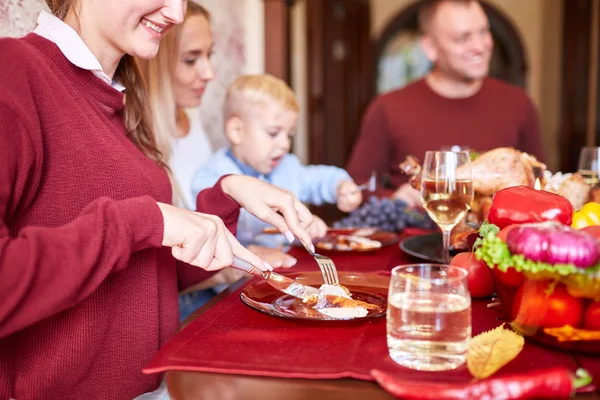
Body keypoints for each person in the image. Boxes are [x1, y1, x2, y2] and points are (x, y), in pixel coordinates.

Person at [0, 1, 315, 398]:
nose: (177, 14)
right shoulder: (12, 71)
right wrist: (142, 221)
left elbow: (147, 281)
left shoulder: (117, 97)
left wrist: (227, 195)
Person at [137, 5, 297, 322]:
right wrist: (227, 268)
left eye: (209, 55)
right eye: (191, 59)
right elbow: (152, 274)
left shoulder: (190, 124)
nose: (209, 73)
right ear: (153, 60)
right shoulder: (136, 139)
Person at [346, 0, 545, 206]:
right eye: (463, 38)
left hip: (495, 235)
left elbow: (539, 183)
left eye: (484, 32)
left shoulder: (518, 103)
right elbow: (355, 187)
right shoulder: (387, 107)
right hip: (416, 235)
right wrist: (394, 199)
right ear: (430, 48)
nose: (479, 46)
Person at [192, 74, 363, 244]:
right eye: (273, 133)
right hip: (241, 268)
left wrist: (339, 185)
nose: (284, 144)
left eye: (289, 135)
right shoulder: (210, 178)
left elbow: (317, 179)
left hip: (286, 263)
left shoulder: (287, 166)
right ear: (237, 131)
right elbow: (213, 232)